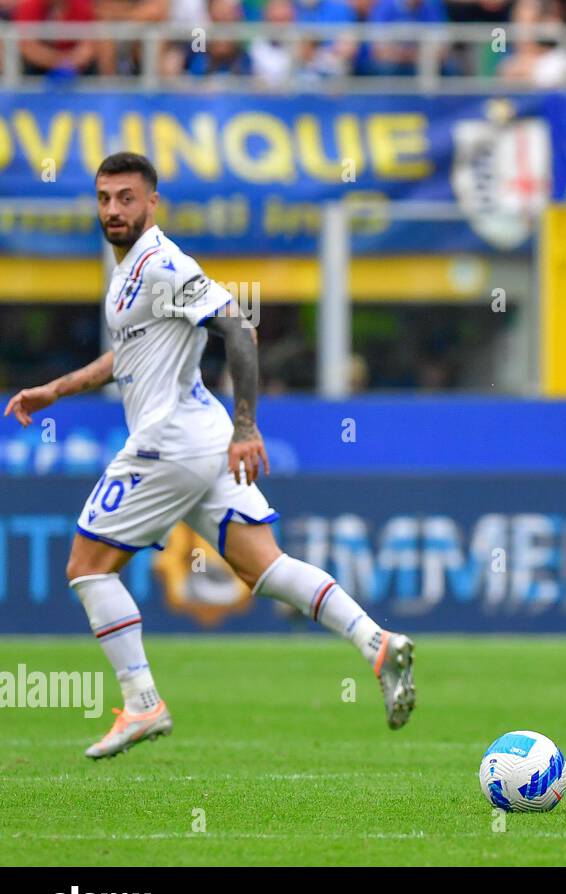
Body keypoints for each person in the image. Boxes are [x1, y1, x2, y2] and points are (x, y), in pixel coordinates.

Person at [3, 152, 416, 760]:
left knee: (87, 568)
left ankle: (142, 703)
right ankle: (376, 642)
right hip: (199, 438)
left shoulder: (165, 263)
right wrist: (55, 389)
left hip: (169, 442)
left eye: (126, 198)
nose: (113, 210)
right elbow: (128, 357)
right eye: (104, 198)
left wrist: (248, 424)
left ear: (152, 203)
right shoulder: (129, 276)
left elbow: (238, 328)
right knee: (265, 568)